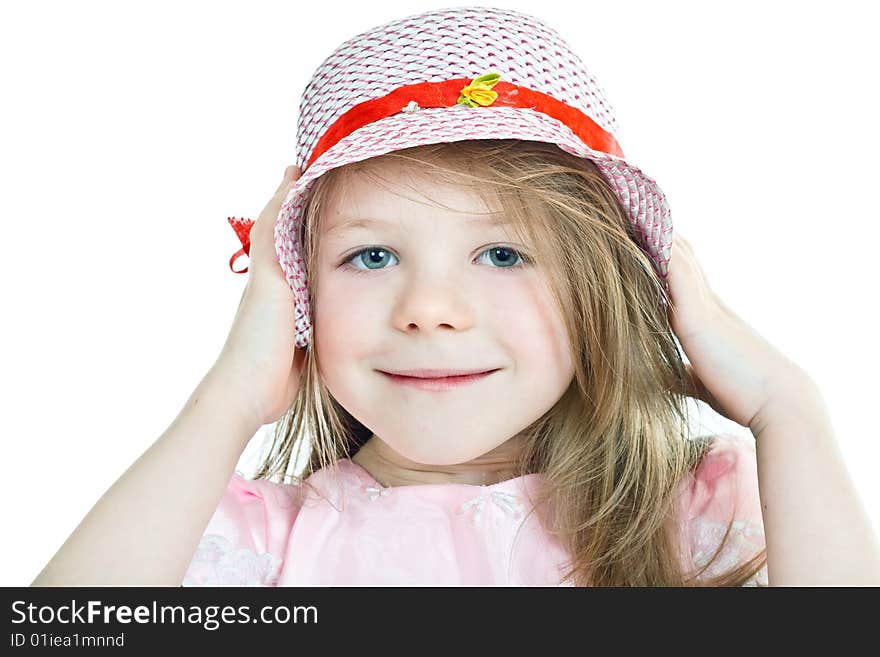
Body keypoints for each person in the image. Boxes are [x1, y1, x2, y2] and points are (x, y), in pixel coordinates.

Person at [31, 6, 880, 587]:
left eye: (503, 251)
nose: (430, 307)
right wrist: (228, 398)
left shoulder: (692, 513)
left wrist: (787, 406)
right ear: (295, 300)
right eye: (370, 256)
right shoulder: (259, 544)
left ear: (605, 287)